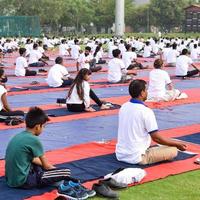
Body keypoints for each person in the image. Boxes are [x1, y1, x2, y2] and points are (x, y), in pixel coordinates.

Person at [5, 107, 95, 199]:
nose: (43, 129)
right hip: (24, 181)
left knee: (45, 170)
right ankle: (66, 187)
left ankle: (62, 183)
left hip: (11, 180)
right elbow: (47, 166)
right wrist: (57, 172)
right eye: (43, 126)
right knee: (66, 171)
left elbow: (32, 159)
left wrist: (53, 172)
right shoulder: (34, 140)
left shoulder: (18, 136)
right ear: (37, 126)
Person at [115, 79, 187, 165]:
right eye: (146, 90)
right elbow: (156, 138)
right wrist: (177, 144)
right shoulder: (145, 111)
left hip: (120, 154)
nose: (147, 92)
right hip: (137, 157)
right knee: (173, 150)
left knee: (166, 144)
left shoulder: (124, 106)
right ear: (142, 93)